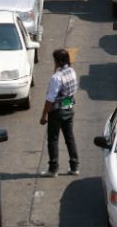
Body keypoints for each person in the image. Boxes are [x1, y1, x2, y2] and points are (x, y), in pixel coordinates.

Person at [39, 49, 79, 177]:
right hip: (68, 105)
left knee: (53, 139)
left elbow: (50, 98)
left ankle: (53, 169)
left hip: (57, 110)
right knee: (69, 137)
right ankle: (74, 166)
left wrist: (44, 115)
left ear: (57, 61)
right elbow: (71, 92)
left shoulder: (56, 77)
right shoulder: (72, 71)